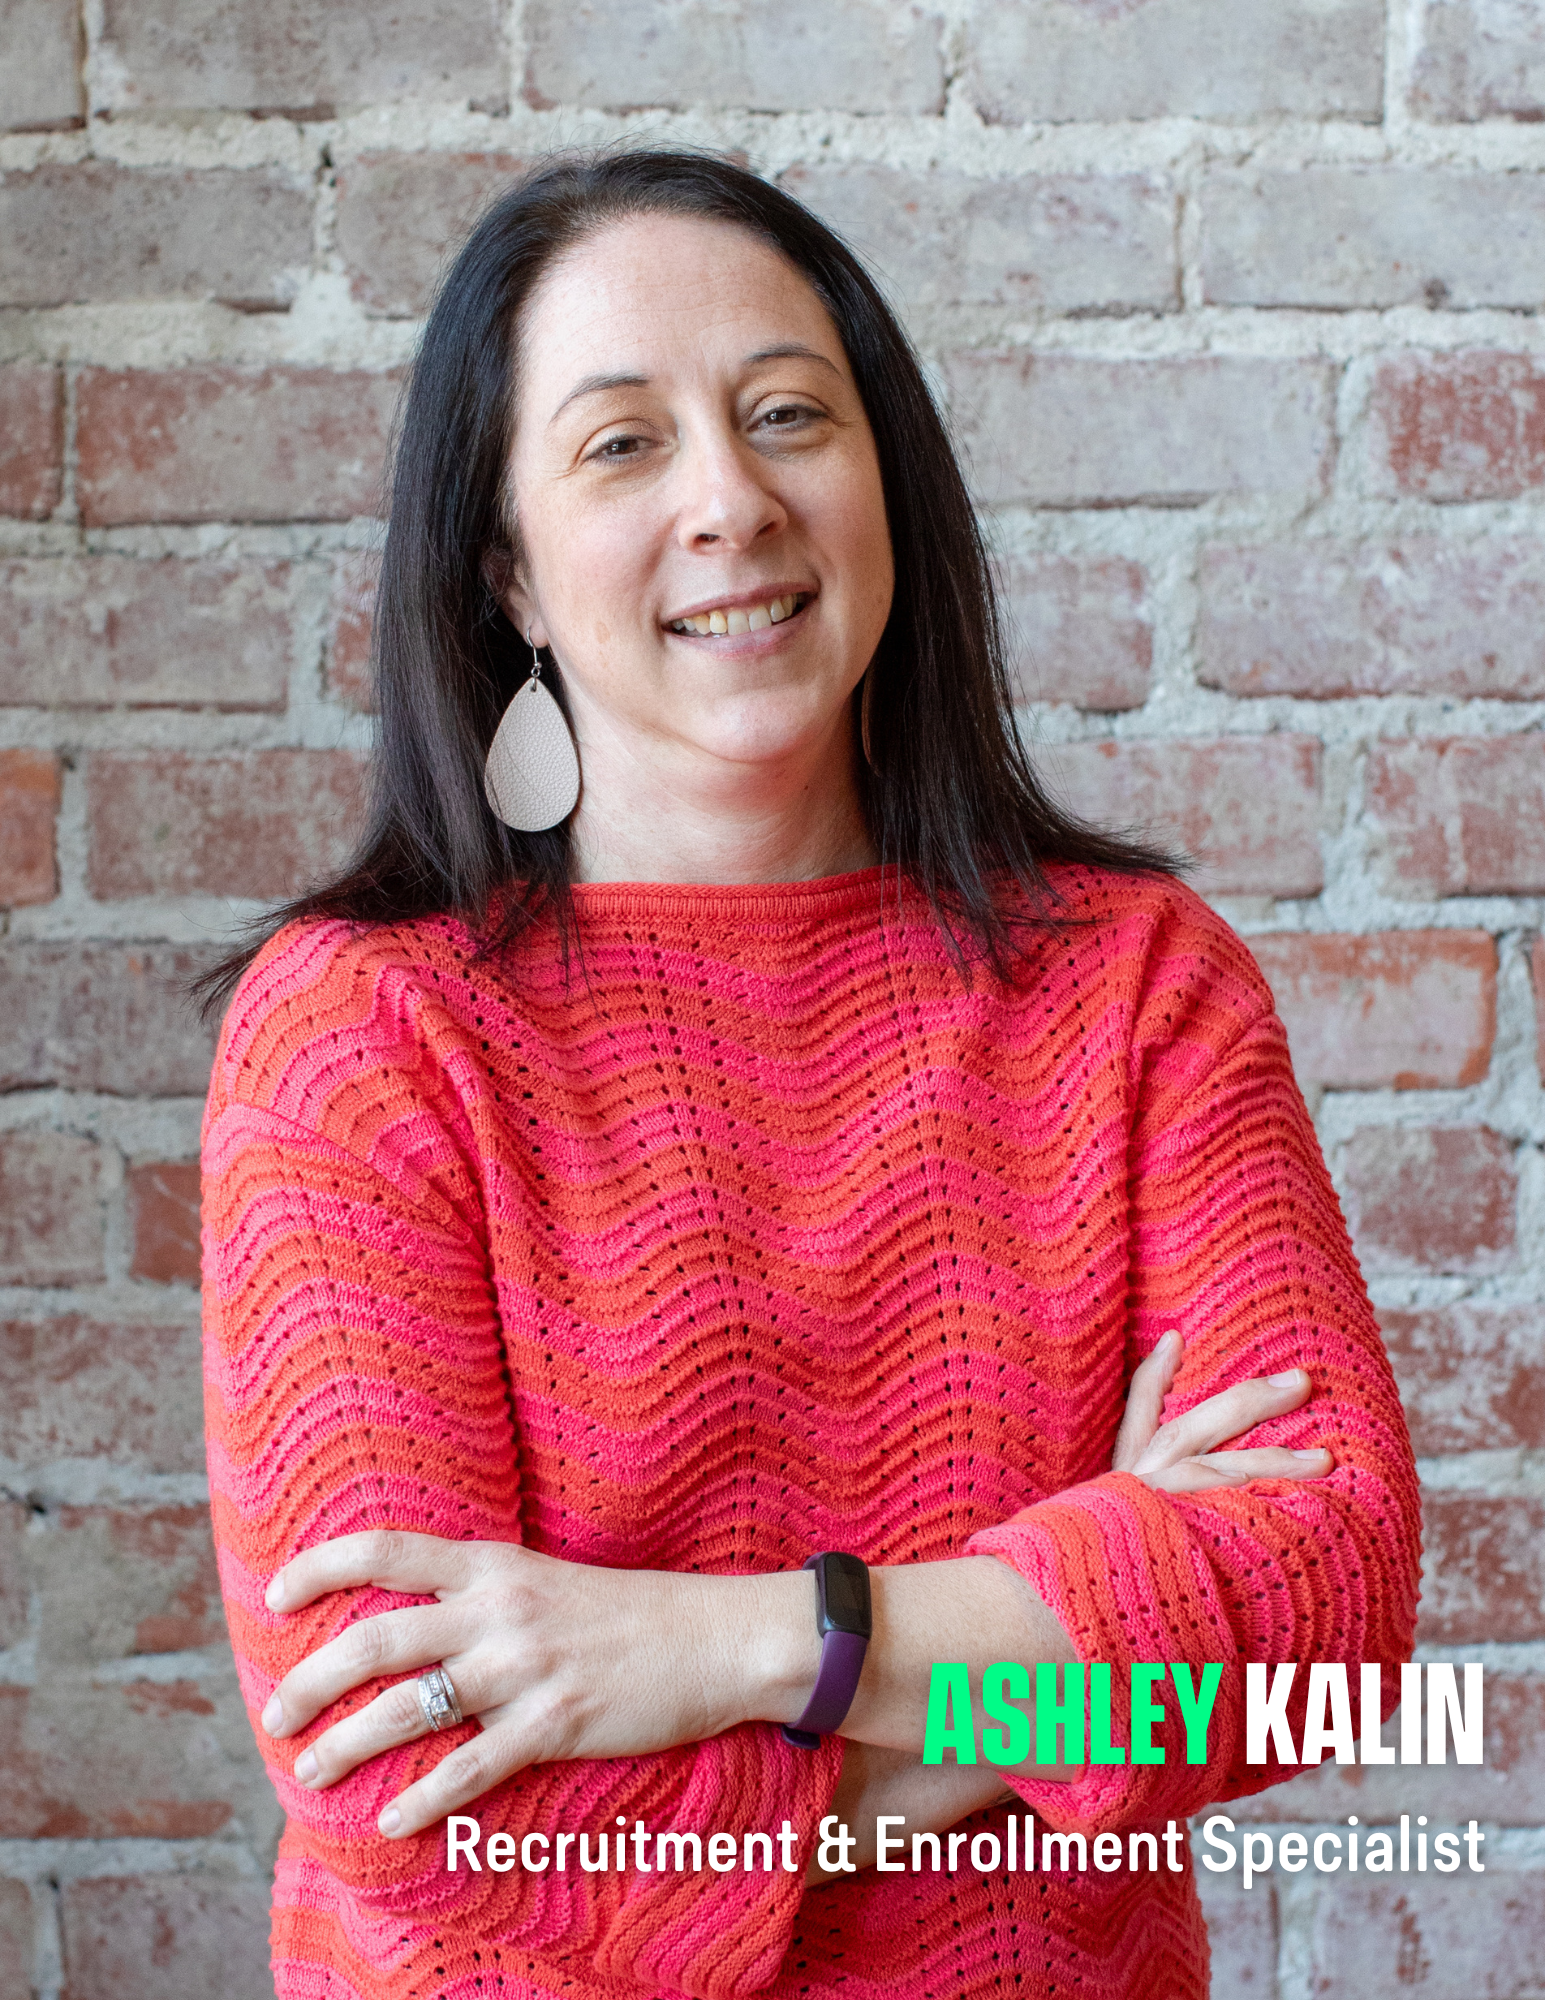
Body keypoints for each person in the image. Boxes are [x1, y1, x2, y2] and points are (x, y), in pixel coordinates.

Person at [199, 149, 1421, 2000]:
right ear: (507, 570)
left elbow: (1320, 1614)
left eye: (789, 416)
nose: (729, 500)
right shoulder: (366, 1037)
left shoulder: (1138, 989)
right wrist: (1018, 1697)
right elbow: (422, 1807)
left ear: (888, 489)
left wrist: (735, 1650)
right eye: (622, 445)